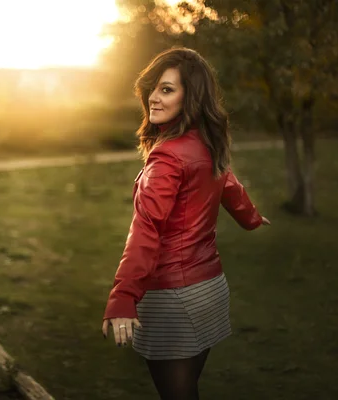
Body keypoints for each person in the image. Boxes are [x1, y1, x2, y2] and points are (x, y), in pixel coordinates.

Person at [101, 47, 271, 400]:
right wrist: (250, 217)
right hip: (209, 289)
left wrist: (123, 297)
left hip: (172, 300)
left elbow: (147, 227)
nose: (153, 98)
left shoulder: (166, 155)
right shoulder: (206, 143)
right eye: (154, 88)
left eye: (167, 89)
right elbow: (228, 182)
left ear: (190, 97)